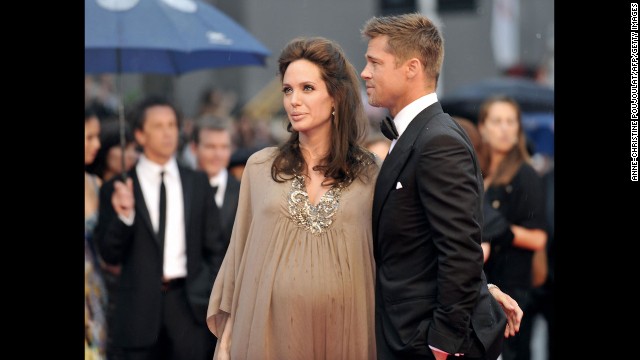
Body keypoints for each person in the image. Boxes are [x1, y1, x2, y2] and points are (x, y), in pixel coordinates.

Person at [206, 36, 521, 360]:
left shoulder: (373, 173)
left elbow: (416, 250)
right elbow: (239, 264)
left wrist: (483, 291)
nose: (293, 101)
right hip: (268, 336)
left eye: (307, 88)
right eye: (288, 90)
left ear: (336, 97)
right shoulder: (260, 168)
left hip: (352, 334)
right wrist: (227, 346)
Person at [361, 13, 512, 359]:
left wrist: (442, 341)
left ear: (411, 67)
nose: (365, 72)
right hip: (406, 334)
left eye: (374, 62)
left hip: (426, 342)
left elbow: (460, 249)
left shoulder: (438, 141)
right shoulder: (420, 134)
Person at [95, 96, 225, 360]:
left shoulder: (197, 183)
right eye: (158, 126)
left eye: (172, 125)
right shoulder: (118, 187)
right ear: (140, 135)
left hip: (189, 310)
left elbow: (216, 249)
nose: (168, 133)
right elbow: (108, 253)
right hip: (136, 314)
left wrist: (205, 295)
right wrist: (125, 216)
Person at [477, 95, 547, 360]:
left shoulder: (525, 173)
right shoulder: (479, 171)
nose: (505, 128)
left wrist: (501, 231)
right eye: (497, 121)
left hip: (513, 286)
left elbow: (538, 238)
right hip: (484, 283)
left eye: (511, 121)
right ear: (482, 127)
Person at [190, 116, 241, 273]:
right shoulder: (180, 188)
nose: (218, 154)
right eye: (210, 147)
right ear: (194, 148)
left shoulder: (244, 193)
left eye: (224, 147)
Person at [85, 107, 107, 359]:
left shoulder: (96, 184)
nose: (97, 144)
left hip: (96, 294)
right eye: (89, 137)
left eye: (98, 136)